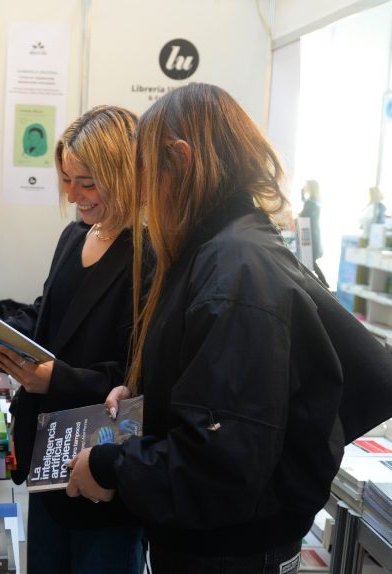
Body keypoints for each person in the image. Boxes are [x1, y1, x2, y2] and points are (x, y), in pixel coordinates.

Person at [65, 83, 392, 573]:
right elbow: (222, 391)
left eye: (148, 175)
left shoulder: (236, 269)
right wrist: (143, 395)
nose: (144, 195)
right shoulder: (225, 247)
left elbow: (221, 460)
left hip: (227, 551)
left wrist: (112, 466)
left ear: (181, 160)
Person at [0, 105, 144, 574]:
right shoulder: (74, 235)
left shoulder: (148, 253)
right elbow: (49, 318)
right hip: (49, 457)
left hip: (101, 465)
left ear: (122, 174)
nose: (75, 194)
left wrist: (57, 380)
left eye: (88, 182)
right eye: (66, 179)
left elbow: (140, 375)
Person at [299, 179, 327, 286]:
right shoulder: (315, 200)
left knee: (309, 261)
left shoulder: (311, 202)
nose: (305, 187)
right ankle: (322, 283)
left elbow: (304, 215)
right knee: (310, 261)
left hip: (309, 234)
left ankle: (323, 283)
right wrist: (302, 194)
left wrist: (297, 216)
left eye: (306, 186)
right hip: (314, 233)